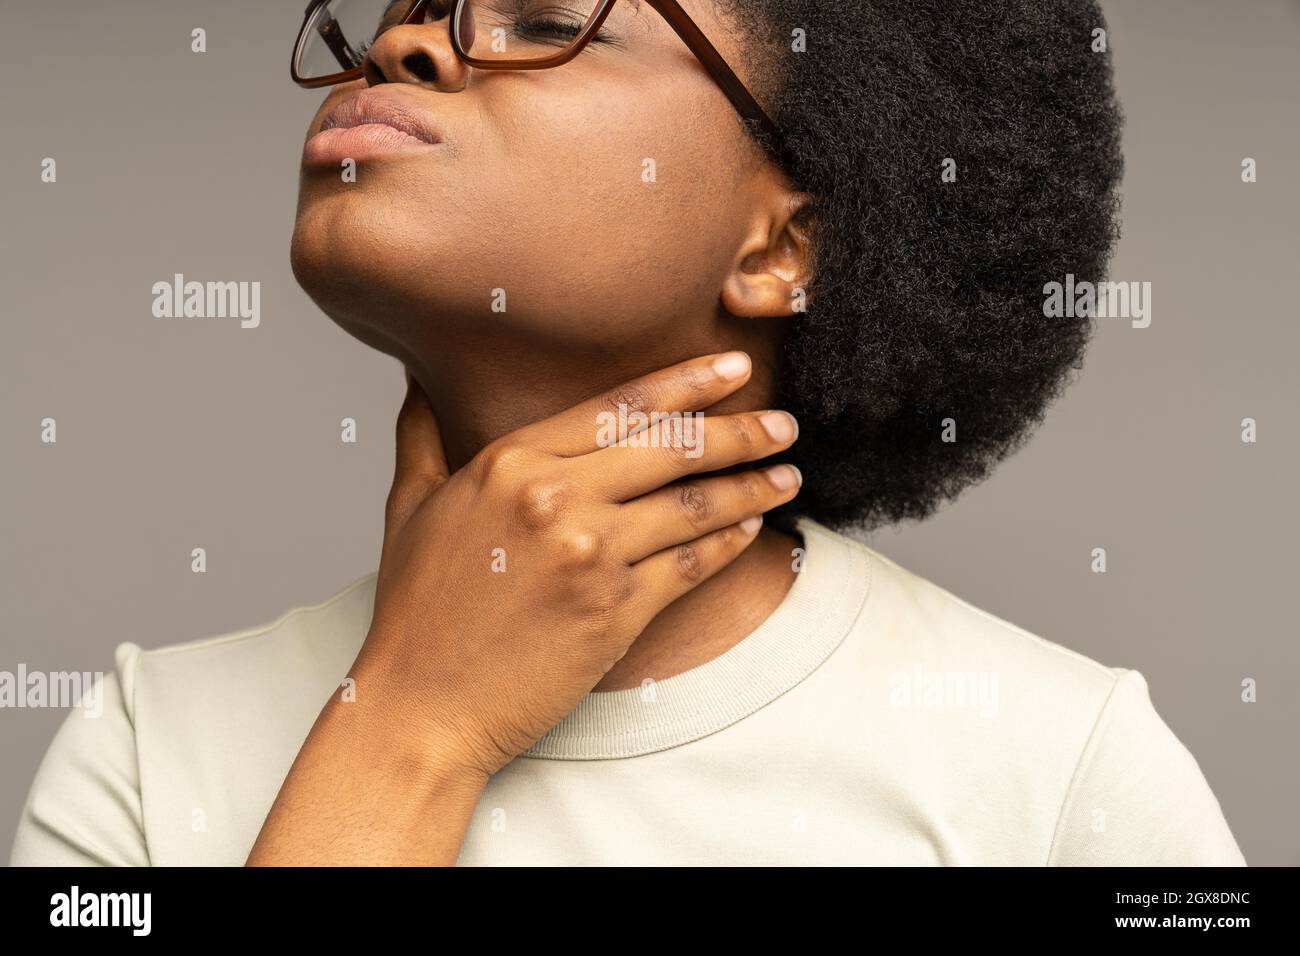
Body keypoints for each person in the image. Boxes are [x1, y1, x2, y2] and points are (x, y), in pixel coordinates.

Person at [11, 0, 1244, 866]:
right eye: (411, 6)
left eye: (548, 18)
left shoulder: (1062, 767)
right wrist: (405, 730)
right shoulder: (143, 745)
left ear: (782, 247)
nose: (398, 44)